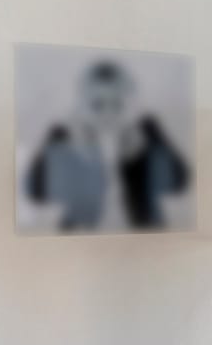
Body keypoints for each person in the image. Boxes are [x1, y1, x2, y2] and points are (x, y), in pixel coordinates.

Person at [26, 59, 189, 231]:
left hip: (142, 232)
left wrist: (153, 139)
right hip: (82, 234)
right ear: (80, 106)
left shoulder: (146, 133)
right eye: (97, 105)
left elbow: (178, 184)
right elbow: (37, 192)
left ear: (133, 104)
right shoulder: (66, 138)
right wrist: (58, 140)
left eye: (118, 104)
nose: (108, 113)